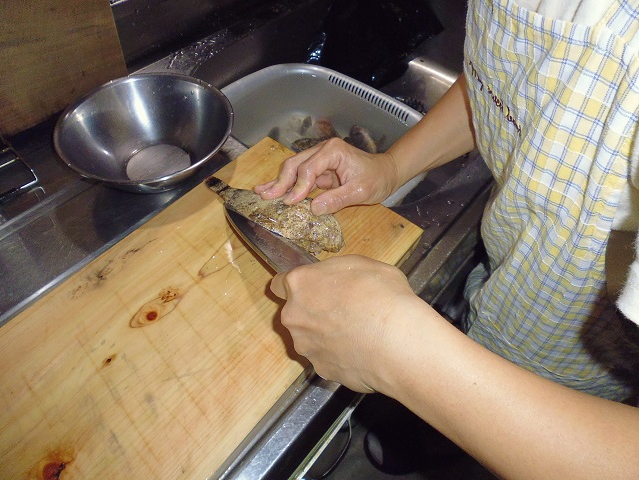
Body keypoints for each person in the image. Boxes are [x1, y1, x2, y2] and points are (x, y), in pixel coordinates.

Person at [255, 0, 639, 478]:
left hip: (582, 364)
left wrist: (397, 352)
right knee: (452, 410)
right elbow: (501, 86)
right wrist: (391, 166)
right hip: (508, 272)